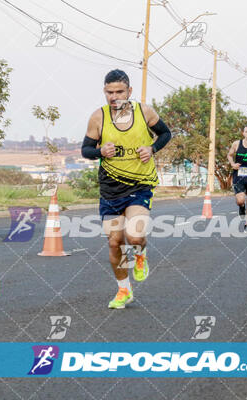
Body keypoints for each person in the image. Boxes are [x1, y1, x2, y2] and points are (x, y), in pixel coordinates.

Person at [81, 69, 171, 309]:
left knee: (134, 235)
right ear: (104, 92)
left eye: (119, 91)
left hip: (140, 186)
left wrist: (152, 148)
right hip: (110, 189)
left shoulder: (145, 112)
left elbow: (165, 134)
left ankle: (140, 254)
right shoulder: (98, 118)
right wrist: (100, 151)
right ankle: (124, 290)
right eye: (109, 92)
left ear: (129, 92)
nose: (114, 96)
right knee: (115, 242)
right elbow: (86, 150)